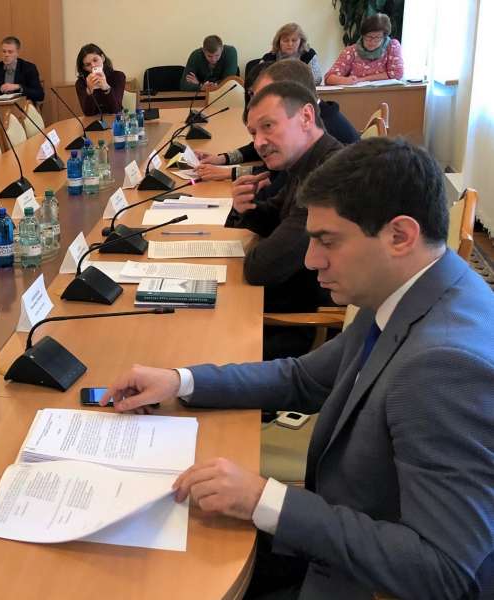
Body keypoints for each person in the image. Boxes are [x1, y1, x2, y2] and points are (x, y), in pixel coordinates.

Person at [102, 137, 494, 600]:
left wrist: (263, 499)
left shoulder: (441, 365)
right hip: (336, 528)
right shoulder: (409, 286)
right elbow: (303, 378)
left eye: (328, 241)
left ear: (400, 236)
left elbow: (446, 571)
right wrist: (180, 380)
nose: (310, 260)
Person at [228, 81, 343, 358]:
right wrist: (248, 208)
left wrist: (258, 249)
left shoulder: (328, 176)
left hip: (299, 326)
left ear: (306, 116)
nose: (258, 143)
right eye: (253, 133)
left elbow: (262, 268)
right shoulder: (307, 161)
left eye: (268, 126)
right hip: (284, 300)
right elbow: (277, 217)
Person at [195, 59, 358, 183]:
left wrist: (228, 173)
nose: (258, 103)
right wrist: (223, 159)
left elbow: (279, 177)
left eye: (266, 95)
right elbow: (266, 146)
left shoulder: (322, 133)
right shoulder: (314, 115)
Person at [325, 13, 404, 85]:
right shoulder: (351, 51)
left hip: (385, 93)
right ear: (363, 35)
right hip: (357, 94)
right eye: (369, 37)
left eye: (377, 37)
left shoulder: (392, 46)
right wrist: (346, 80)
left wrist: (362, 79)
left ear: (384, 36)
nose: (372, 41)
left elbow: (397, 73)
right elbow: (329, 78)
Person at [0, 36, 45, 102]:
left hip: (22, 106)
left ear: (17, 53)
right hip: (2, 107)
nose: (6, 55)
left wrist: (18, 87)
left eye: (10, 52)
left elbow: (40, 95)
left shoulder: (28, 68)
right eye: (4, 51)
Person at [255, 23, 323, 87]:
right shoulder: (269, 57)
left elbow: (317, 79)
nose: (290, 44)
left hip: (303, 92)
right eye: (285, 40)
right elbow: (258, 80)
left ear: (301, 41)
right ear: (278, 42)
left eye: (294, 40)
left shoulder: (309, 54)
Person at [74, 43, 126, 116]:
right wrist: (90, 90)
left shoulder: (118, 76)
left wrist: (106, 87)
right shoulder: (81, 83)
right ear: (84, 68)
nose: (93, 65)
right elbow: (88, 113)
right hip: (93, 120)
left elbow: (116, 109)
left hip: (115, 119)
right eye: (88, 64)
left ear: (102, 58)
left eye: (95, 60)